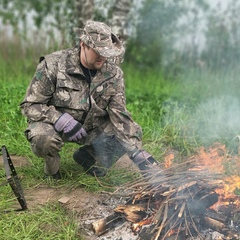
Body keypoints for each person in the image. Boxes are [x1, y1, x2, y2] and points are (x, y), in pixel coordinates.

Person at [20, 20, 158, 179]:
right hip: (55, 125)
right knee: (43, 138)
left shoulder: (113, 74)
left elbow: (120, 115)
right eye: (97, 50)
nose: (103, 57)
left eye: (106, 52)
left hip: (91, 126)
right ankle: (52, 170)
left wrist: (137, 152)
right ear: (83, 44)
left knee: (130, 130)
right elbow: (30, 105)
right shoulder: (53, 65)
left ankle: (89, 157)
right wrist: (60, 119)